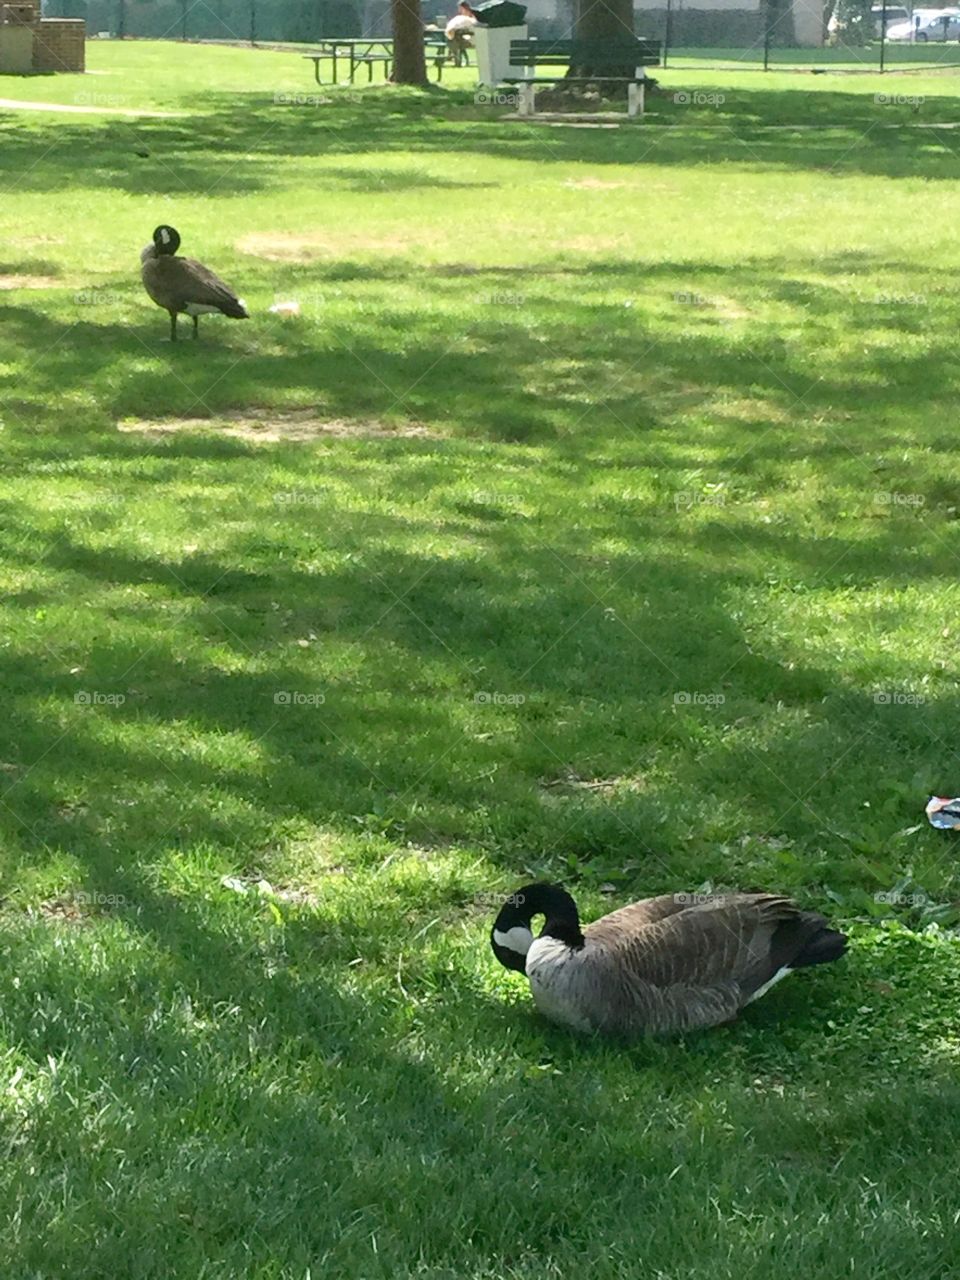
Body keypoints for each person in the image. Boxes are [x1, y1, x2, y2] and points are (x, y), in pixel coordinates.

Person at [445, 1, 478, 67]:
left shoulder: (471, 16)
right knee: (454, 40)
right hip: (460, 37)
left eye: (460, 8)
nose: (459, 10)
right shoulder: (460, 18)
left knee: (455, 41)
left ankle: (455, 59)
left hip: (469, 38)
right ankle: (454, 58)